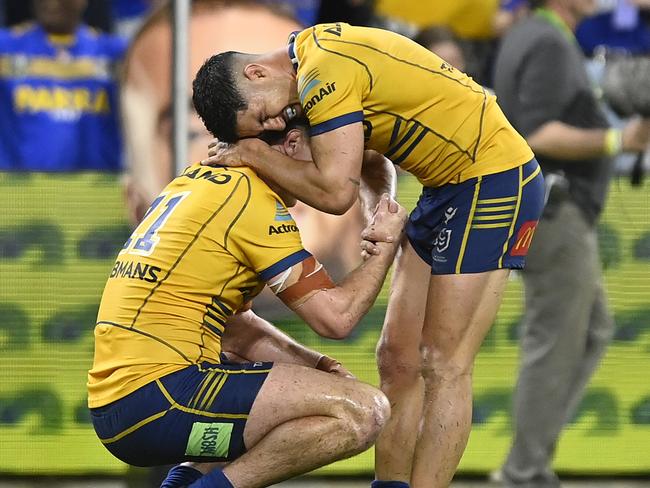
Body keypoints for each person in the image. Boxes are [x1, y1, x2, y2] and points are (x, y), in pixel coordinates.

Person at [195, 22, 545, 487]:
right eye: (263, 129)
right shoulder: (305, 67)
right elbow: (368, 159)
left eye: (263, 118)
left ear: (257, 74)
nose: (275, 125)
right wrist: (378, 206)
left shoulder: (324, 71)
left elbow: (335, 192)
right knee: (396, 358)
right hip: (448, 188)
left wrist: (254, 155)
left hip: (494, 178)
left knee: (443, 362)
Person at [88, 121, 408, 488]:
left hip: (123, 404)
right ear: (291, 144)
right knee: (364, 412)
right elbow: (337, 318)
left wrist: (321, 368)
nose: (332, 173)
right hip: (160, 396)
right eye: (325, 156)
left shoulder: (199, 183)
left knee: (288, 411)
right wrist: (384, 244)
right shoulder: (253, 201)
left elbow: (237, 332)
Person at [492, 1, 650, 486]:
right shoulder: (546, 40)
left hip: (553, 211)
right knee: (554, 340)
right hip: (555, 214)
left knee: (590, 331)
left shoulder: (534, 35)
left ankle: (530, 461)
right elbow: (538, 132)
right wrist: (618, 142)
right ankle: (522, 472)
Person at [0, 0, 126, 171]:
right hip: (17, 192)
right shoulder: (6, 48)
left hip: (98, 192)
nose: (51, 3)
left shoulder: (114, 53)